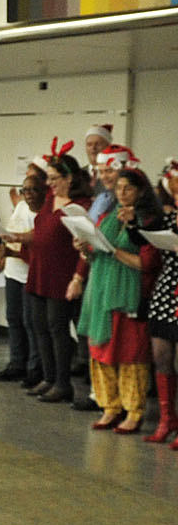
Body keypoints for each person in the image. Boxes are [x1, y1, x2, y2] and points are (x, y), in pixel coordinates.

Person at [72, 166, 157, 432]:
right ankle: (110, 407)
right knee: (100, 351)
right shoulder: (106, 217)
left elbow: (148, 263)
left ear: (141, 191)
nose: (122, 193)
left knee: (131, 354)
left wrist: (113, 251)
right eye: (118, 188)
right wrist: (85, 250)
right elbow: (95, 255)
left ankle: (133, 411)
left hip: (130, 294)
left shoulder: (148, 220)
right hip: (100, 291)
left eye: (128, 188)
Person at [19, 152, 93, 405]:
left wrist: (78, 277)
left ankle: (63, 383)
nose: (49, 183)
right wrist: (18, 237)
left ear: (69, 178)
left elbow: (85, 245)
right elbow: (42, 230)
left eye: (53, 178)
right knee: (40, 327)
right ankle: (49, 377)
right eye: (48, 178)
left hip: (62, 273)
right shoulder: (50, 198)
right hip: (40, 270)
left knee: (57, 329)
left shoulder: (81, 205)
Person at [0, 164, 44, 383]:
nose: (28, 195)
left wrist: (14, 251)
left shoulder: (46, 213)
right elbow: (11, 234)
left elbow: (38, 250)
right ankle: (16, 363)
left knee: (30, 322)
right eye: (25, 190)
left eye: (33, 190)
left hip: (31, 273)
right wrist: (3, 253)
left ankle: (34, 367)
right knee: (13, 318)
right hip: (13, 271)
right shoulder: (21, 207)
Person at [147, 160, 178, 445]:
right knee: (161, 355)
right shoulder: (168, 218)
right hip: (167, 290)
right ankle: (167, 420)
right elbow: (140, 237)